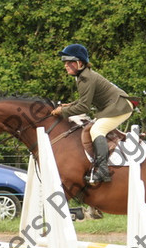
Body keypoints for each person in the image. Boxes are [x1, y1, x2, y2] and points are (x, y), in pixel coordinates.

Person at [51, 44, 134, 183]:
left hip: (121, 106)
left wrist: (62, 111)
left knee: (97, 130)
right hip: (114, 105)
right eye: (64, 62)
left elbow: (84, 107)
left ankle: (103, 171)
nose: (65, 65)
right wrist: (70, 105)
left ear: (80, 63)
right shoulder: (83, 76)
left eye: (69, 62)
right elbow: (84, 100)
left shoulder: (86, 78)